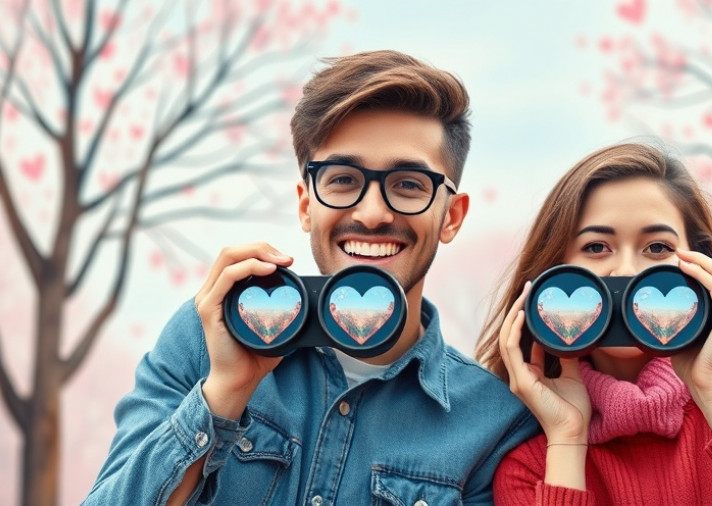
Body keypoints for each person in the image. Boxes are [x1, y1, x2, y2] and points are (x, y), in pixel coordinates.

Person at [85, 50, 538, 505]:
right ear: (306, 205)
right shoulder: (205, 336)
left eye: (408, 184)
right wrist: (224, 393)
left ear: (451, 217)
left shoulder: (493, 425)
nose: (373, 213)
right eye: (342, 179)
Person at [475, 143, 712, 505]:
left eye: (656, 248)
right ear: (553, 273)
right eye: (596, 247)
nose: (626, 271)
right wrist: (568, 440)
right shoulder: (529, 460)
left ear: (703, 267)